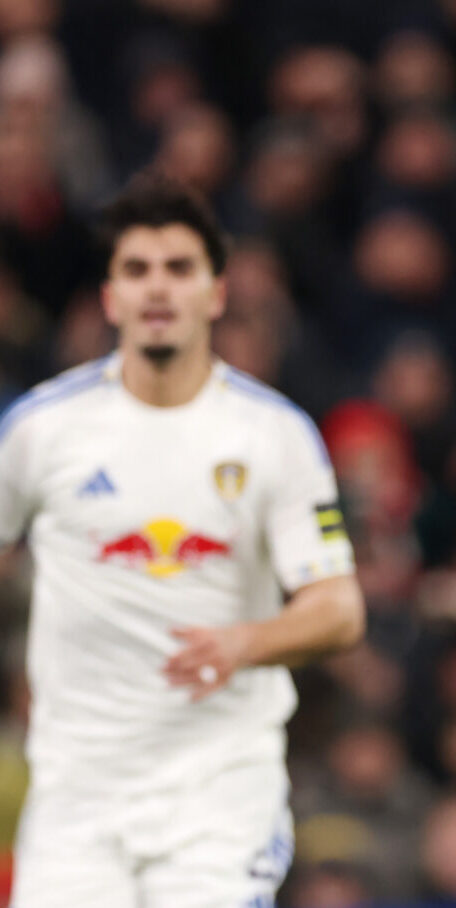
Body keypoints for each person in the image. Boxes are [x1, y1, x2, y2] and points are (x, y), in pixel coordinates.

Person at [0, 172, 365, 908]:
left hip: (218, 795)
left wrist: (244, 643)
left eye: (178, 268)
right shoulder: (42, 429)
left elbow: (339, 611)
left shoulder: (275, 435)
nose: (157, 288)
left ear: (216, 293)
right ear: (110, 298)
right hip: (77, 801)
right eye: (136, 270)